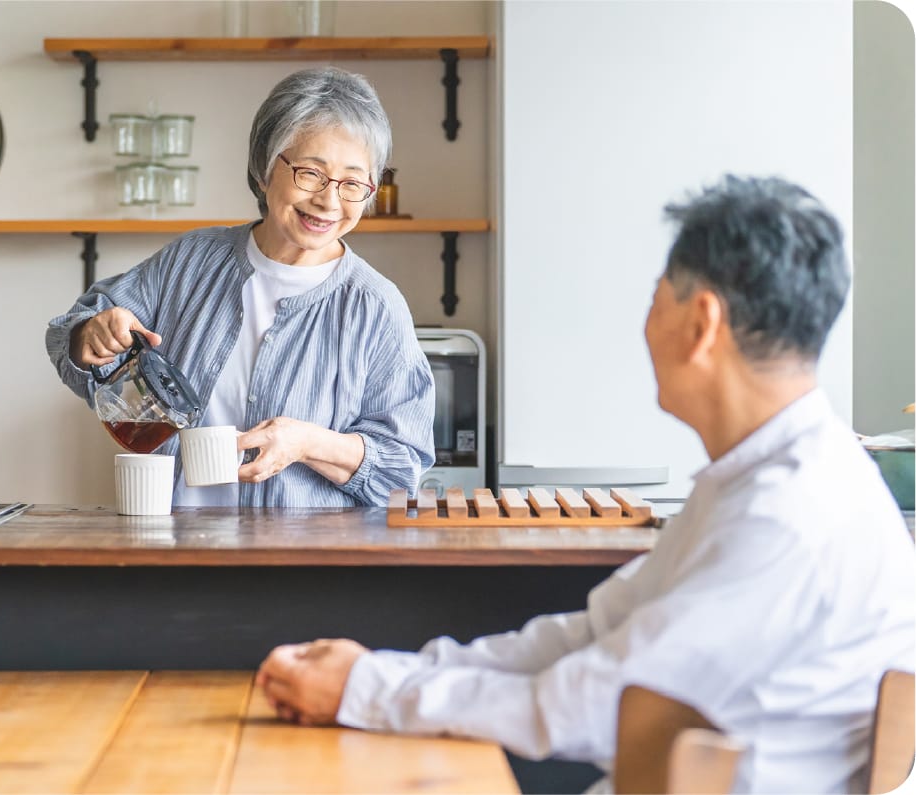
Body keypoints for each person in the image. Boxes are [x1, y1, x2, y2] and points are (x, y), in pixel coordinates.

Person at [255, 175, 916, 793]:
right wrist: (390, 672)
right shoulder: (766, 478)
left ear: (702, 322)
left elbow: (597, 702)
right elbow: (592, 634)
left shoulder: (790, 511)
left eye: (658, 298)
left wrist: (365, 690)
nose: (646, 325)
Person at [45, 66, 434, 508]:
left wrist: (306, 442)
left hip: (307, 567)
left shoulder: (375, 306)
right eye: (310, 172)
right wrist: (91, 335)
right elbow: (67, 338)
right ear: (265, 167)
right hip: (179, 555)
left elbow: (403, 471)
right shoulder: (191, 261)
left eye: (352, 183)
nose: (329, 201)